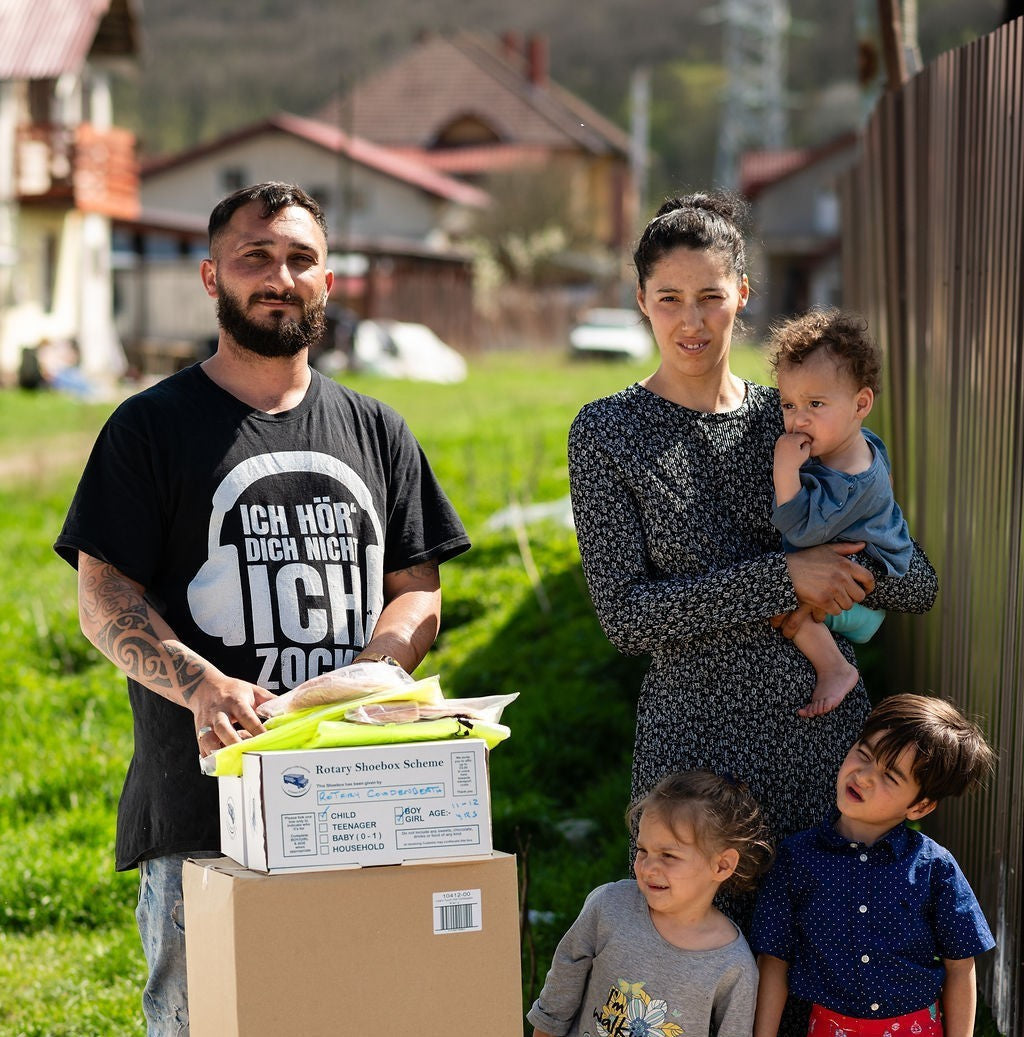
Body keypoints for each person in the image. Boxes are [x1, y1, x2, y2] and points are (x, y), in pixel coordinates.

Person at [53, 182, 470, 1036]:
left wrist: (377, 673)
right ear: (212, 277)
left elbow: (417, 587)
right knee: (206, 1022)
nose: (279, 276)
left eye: (300, 258)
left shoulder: (378, 428)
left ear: (328, 281)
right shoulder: (150, 428)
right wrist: (205, 687)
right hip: (205, 812)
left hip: (359, 804)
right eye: (255, 257)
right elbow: (103, 598)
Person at [566, 192, 938, 921]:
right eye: (669, 298)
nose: (692, 320)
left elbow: (916, 580)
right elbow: (626, 618)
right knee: (689, 980)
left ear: (743, 294)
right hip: (692, 756)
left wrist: (856, 577)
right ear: (641, 300)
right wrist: (784, 576)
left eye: (711, 296)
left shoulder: (798, 414)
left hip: (819, 741)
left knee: (811, 980)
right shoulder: (605, 431)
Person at [750, 693, 996, 1037]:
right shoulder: (797, 857)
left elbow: (960, 965)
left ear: (921, 806)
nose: (863, 776)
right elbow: (774, 959)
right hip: (829, 1028)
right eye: (863, 754)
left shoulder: (934, 867)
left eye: (889, 776)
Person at [528, 770, 774, 1037]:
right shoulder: (609, 906)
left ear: (722, 865)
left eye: (668, 855)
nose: (648, 868)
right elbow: (564, 978)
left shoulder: (731, 964)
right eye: (643, 850)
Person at [768, 309, 913, 718]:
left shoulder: (849, 479)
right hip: (862, 570)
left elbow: (802, 535)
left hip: (859, 599)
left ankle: (835, 668)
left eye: (815, 403)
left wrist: (784, 471)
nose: (798, 419)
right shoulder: (853, 443)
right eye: (790, 404)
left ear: (860, 403)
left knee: (772, 597)